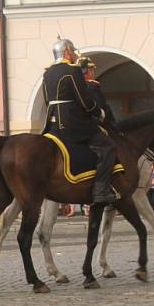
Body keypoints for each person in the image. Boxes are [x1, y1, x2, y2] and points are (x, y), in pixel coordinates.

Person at [43, 37, 115, 205]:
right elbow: (84, 101)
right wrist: (99, 113)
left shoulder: (47, 73)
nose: (75, 55)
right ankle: (100, 190)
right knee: (108, 146)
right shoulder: (72, 70)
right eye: (73, 51)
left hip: (52, 122)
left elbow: (47, 100)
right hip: (72, 121)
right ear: (67, 52)